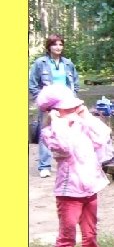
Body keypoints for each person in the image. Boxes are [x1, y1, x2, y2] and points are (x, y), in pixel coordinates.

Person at [36, 84, 113, 247]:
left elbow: (103, 136)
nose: (73, 110)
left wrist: (87, 117)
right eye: (66, 108)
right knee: (67, 234)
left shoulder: (81, 124)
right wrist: (57, 122)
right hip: (69, 192)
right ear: (53, 111)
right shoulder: (50, 132)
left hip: (90, 187)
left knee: (90, 231)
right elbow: (65, 147)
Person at [29, 35, 80, 178]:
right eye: (54, 44)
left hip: (66, 103)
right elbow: (33, 84)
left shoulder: (68, 63)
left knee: (69, 132)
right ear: (48, 46)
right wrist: (42, 100)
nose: (58, 47)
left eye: (60, 44)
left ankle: (69, 164)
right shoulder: (40, 63)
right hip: (48, 104)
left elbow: (75, 83)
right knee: (46, 133)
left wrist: (73, 97)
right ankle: (44, 166)